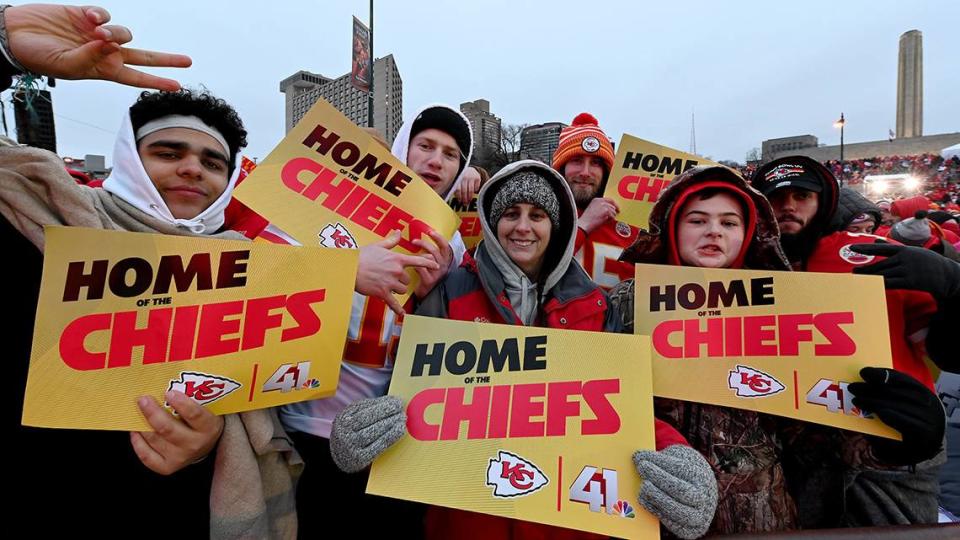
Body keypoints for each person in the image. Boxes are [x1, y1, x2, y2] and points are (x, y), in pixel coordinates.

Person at [0, 6, 301, 531]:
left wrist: (205, 446)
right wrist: (0, 44)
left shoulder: (249, 268)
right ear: (130, 159)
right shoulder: (42, 219)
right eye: (168, 152)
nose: (192, 169)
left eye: (214, 163)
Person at [327, 160, 719, 540]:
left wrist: (674, 453)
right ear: (493, 222)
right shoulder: (448, 295)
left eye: (538, 215)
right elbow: (407, 400)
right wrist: (362, 438)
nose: (523, 227)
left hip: (571, 525)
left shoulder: (595, 303)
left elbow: (623, 409)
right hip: (466, 523)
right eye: (511, 213)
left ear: (556, 225)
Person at [277, 103, 478, 537]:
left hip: (392, 430)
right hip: (308, 420)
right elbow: (266, 279)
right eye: (425, 145)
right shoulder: (332, 203)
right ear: (403, 149)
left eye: (450, 154)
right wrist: (346, 269)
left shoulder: (453, 241)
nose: (435, 160)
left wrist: (434, 297)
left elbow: (451, 349)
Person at [750, 156, 953, 527]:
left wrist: (954, 289)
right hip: (790, 460)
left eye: (802, 195)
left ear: (823, 202)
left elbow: (948, 353)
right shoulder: (738, 270)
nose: (788, 206)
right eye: (775, 198)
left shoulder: (866, 253)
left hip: (889, 450)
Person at [610, 165, 801, 534]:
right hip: (651, 509)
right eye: (698, 220)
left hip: (761, 520)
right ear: (673, 228)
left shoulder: (785, 309)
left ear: (747, 235)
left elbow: (810, 434)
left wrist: (888, 442)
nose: (714, 231)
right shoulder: (622, 304)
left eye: (729, 223)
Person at [552, 113, 640, 290]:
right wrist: (582, 226)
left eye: (596, 163)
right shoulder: (540, 215)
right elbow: (532, 275)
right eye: (576, 160)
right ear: (562, 168)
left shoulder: (634, 220)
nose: (585, 172)